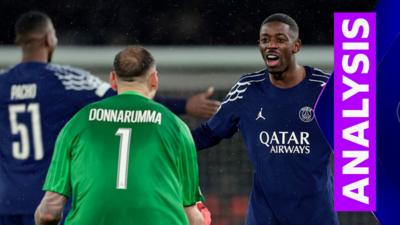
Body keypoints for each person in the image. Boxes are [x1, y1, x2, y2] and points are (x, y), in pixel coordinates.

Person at [0, 11, 216, 225]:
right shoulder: (67, 81)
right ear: (49, 38)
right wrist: (184, 105)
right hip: (51, 194)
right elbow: (130, 96)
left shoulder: (4, 84)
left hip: (9, 200)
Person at [192, 13, 339, 225]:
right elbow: (207, 134)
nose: (271, 45)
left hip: (316, 216)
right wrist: (165, 140)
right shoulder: (247, 89)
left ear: (296, 46)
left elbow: (363, 135)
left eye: (280, 40)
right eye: (265, 40)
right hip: (265, 217)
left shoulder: (325, 89)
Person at [34, 45, 204, 225]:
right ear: (154, 79)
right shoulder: (176, 127)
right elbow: (191, 216)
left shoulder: (77, 123)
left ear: (113, 79)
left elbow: (49, 212)